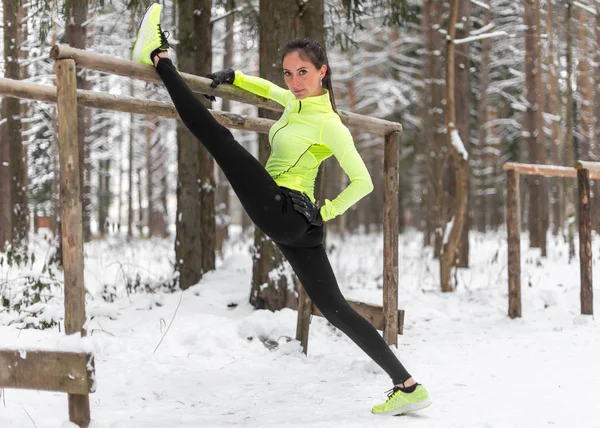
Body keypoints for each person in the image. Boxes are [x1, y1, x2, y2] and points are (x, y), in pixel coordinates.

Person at [132, 3, 431, 416]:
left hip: (288, 210)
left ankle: (158, 57)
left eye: (303, 72)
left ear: (322, 71)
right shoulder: (295, 103)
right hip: (292, 224)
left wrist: (324, 212)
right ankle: (407, 384)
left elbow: (363, 181)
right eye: (289, 73)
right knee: (335, 308)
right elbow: (268, 92)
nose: (294, 82)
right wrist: (233, 78)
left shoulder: (330, 124)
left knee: (217, 137)